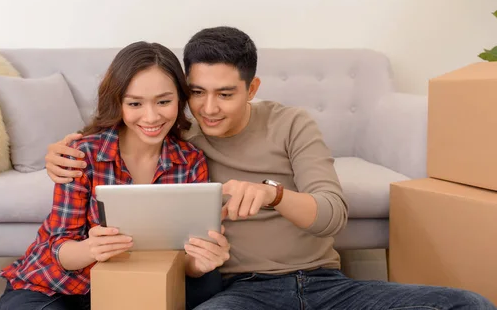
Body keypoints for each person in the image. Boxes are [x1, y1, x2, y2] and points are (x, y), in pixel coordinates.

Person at [45, 28, 496, 309]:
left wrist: (273, 193)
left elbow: (332, 214)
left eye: (225, 93)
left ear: (252, 87)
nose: (209, 108)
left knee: (468, 305)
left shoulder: (292, 123)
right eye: (197, 93)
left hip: (327, 284)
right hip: (244, 291)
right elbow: (123, 138)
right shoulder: (179, 141)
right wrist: (59, 152)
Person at [0, 41, 230, 310]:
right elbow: (58, 249)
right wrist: (90, 249)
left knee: (209, 280)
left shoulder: (190, 161)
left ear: (180, 99)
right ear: (118, 102)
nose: (151, 116)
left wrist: (198, 264)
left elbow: (187, 254)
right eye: (135, 103)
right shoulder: (82, 155)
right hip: (63, 286)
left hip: (139, 284)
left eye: (164, 101)